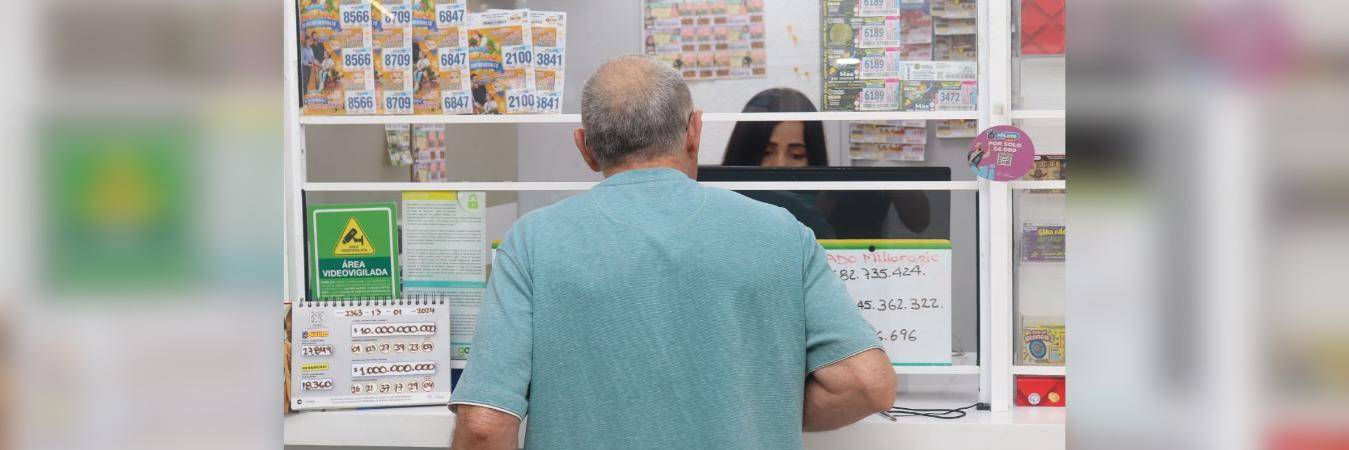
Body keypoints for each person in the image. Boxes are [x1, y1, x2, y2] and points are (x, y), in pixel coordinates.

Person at [448, 55, 896, 450]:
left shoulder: (532, 241)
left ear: (584, 147)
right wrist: (757, 407)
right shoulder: (782, 233)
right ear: (694, 131)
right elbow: (865, 385)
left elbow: (486, 427)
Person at [721, 88, 828, 167]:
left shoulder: (834, 195)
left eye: (796, 155)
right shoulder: (717, 196)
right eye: (766, 153)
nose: (780, 164)